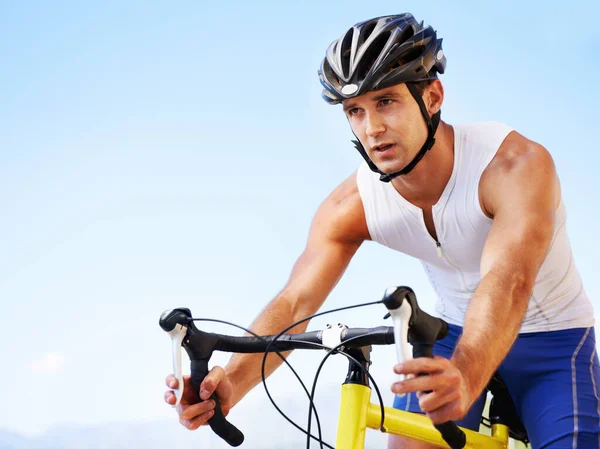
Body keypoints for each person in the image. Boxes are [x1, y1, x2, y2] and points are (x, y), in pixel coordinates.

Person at [163, 13, 599, 448]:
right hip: (448, 339)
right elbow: (296, 300)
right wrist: (231, 385)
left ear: (432, 96)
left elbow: (508, 282)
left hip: (554, 348)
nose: (371, 128)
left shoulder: (513, 167)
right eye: (355, 110)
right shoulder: (353, 204)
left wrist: (468, 374)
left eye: (386, 102)